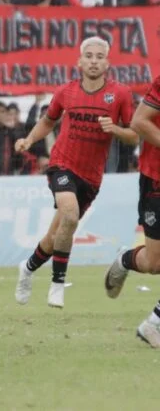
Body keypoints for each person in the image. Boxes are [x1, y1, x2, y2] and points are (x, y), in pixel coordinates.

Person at [14, 37, 138, 308]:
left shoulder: (120, 94)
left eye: (99, 57)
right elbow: (48, 121)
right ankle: (58, 284)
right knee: (69, 215)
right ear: (79, 61)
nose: (94, 61)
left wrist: (115, 129)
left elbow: (134, 135)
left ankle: (27, 268)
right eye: (89, 56)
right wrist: (29, 140)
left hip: (91, 177)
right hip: (62, 164)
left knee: (55, 236)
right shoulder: (65, 92)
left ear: (107, 62)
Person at [104, 74, 160, 346]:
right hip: (156, 178)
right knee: (154, 263)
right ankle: (126, 259)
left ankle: (154, 324)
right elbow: (139, 122)